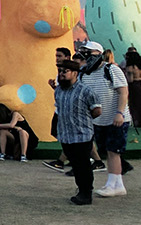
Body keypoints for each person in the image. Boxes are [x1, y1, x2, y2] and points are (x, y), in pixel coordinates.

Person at [78, 41, 130, 197]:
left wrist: (119, 113)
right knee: (106, 151)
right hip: (98, 120)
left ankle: (111, 185)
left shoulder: (111, 69)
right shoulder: (83, 72)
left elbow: (123, 92)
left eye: (89, 52)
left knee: (113, 151)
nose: (86, 56)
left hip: (116, 118)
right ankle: (118, 184)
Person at [54, 59, 101, 205]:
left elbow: (97, 110)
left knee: (83, 165)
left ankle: (86, 193)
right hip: (66, 135)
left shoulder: (86, 91)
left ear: (75, 73)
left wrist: (83, 121)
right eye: (59, 71)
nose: (61, 74)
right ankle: (81, 190)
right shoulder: (58, 91)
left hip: (82, 135)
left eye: (64, 71)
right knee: (75, 164)